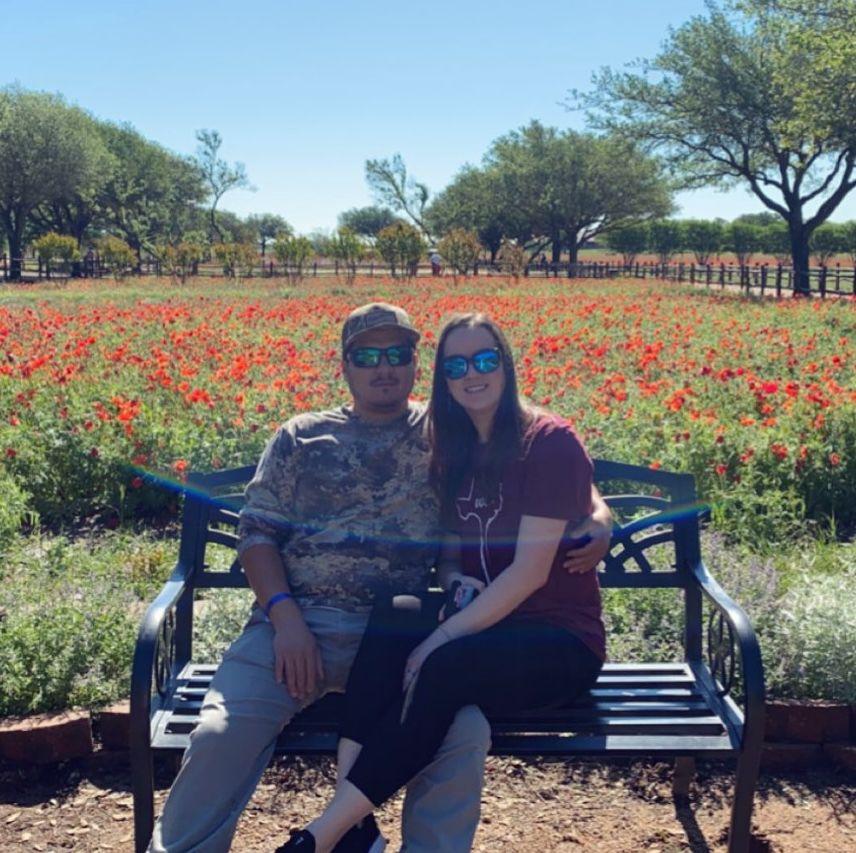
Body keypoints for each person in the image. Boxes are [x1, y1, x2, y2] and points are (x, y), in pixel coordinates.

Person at [149, 303, 611, 853]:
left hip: (398, 633)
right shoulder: (301, 436)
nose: (384, 367)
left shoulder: (446, 431)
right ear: (344, 366)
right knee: (220, 733)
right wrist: (286, 619)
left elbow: (555, 461)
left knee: (464, 735)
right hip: (295, 628)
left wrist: (599, 514)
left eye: (397, 354)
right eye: (367, 356)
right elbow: (256, 534)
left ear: (416, 364)